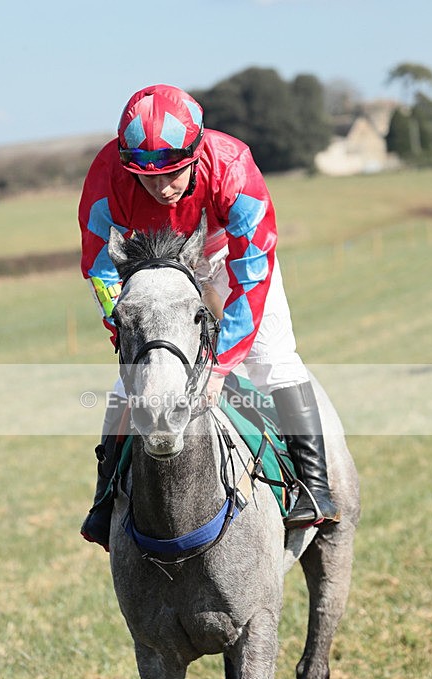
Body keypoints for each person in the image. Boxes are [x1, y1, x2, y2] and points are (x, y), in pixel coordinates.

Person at [78, 84, 339, 549]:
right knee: (131, 382)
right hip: (160, 267)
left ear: (196, 153)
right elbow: (99, 267)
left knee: (271, 357)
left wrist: (220, 364)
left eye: (173, 173)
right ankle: (104, 499)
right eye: (145, 176)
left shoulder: (234, 166)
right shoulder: (106, 174)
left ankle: (315, 490)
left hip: (230, 261)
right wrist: (126, 329)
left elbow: (252, 275)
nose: (160, 187)